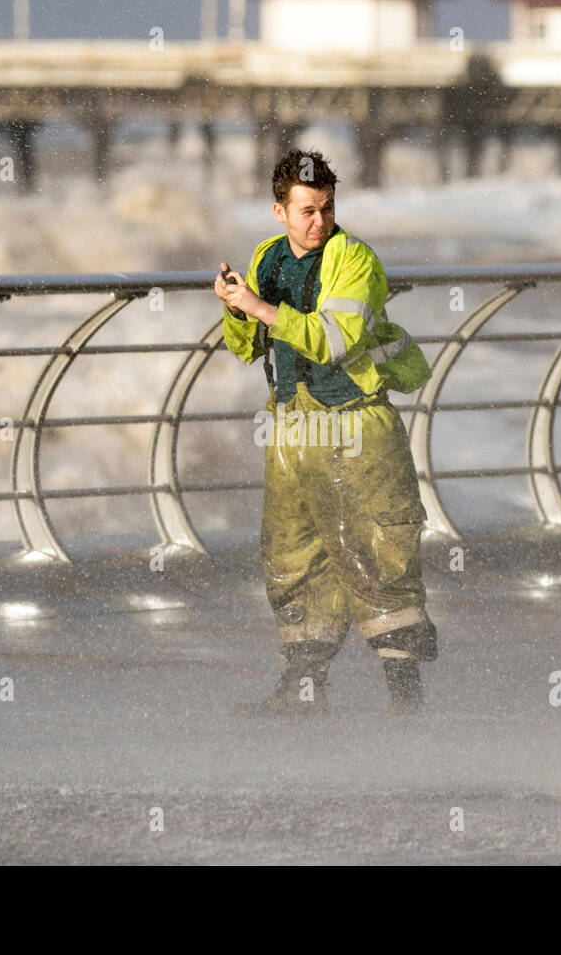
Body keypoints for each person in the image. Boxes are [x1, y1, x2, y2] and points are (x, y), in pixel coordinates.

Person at [214, 148, 438, 716]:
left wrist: (260, 308)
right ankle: (303, 694)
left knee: (380, 556)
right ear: (279, 212)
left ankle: (406, 707)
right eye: (308, 210)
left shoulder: (355, 259)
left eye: (328, 208)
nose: (320, 221)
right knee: (293, 559)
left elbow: (334, 340)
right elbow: (246, 349)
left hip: (356, 425)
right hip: (292, 428)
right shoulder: (267, 257)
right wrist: (236, 311)